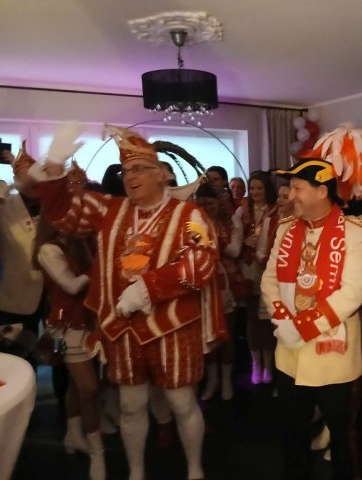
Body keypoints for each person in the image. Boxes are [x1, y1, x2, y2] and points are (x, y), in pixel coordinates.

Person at [28, 123, 221, 480]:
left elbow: (203, 262)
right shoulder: (110, 209)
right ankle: (135, 472)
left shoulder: (189, 215)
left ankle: (195, 469)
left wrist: (150, 287)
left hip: (172, 326)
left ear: (162, 174)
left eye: (139, 169)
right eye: (126, 170)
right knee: (131, 406)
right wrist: (54, 168)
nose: (130, 176)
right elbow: (64, 215)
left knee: (181, 403)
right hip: (124, 329)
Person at [261, 124, 362, 480]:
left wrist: (302, 327)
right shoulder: (286, 228)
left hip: (333, 357)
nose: (290, 195)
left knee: (341, 438)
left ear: (322, 191)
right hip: (289, 354)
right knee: (292, 436)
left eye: (298, 188)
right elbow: (269, 280)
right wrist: (282, 319)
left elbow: (352, 293)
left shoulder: (355, 232)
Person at [33, 210, 105, 479]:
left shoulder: (79, 242)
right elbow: (72, 286)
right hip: (68, 326)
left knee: (77, 385)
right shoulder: (48, 249)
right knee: (89, 387)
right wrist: (99, 267)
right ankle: (97, 453)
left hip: (87, 322)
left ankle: (73, 435)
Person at [0, 142, 44, 349]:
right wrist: (2, 190)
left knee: (51, 351)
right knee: (17, 350)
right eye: (25, 176)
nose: (31, 180)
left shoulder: (51, 204)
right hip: (17, 295)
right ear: (16, 178)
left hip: (53, 294)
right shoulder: (4, 206)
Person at [195, 182, 243, 401]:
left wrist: (214, 239)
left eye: (210, 203)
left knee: (227, 335)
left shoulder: (231, 222)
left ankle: (226, 381)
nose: (207, 208)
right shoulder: (193, 224)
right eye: (202, 204)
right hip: (202, 284)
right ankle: (212, 380)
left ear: (219, 203)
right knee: (207, 335)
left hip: (226, 283)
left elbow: (235, 251)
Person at [237, 171, 277, 385]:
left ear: (267, 189)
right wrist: (244, 240)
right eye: (252, 188)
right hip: (249, 267)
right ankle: (256, 364)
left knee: (268, 320)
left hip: (269, 267)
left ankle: (269, 364)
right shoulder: (242, 211)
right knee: (252, 319)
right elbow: (234, 239)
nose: (255, 192)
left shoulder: (275, 210)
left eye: (259, 188)